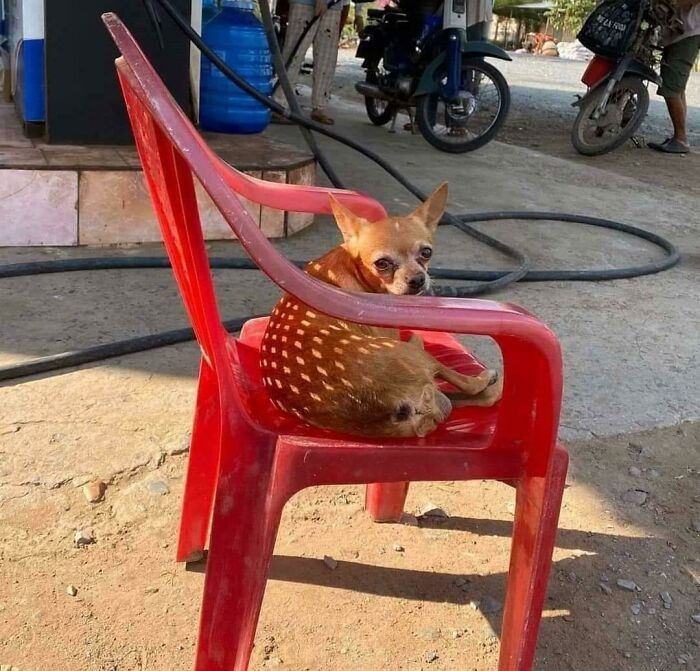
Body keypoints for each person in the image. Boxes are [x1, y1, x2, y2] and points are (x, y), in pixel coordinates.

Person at [272, 0, 342, 125]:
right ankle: (279, 104)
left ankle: (319, 107)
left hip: (334, 6)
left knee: (326, 58)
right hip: (305, 3)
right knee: (294, 53)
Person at [649, 0, 700, 154]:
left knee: (670, 86)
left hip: (689, 32)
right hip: (679, 32)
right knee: (677, 87)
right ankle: (678, 137)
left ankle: (681, 139)